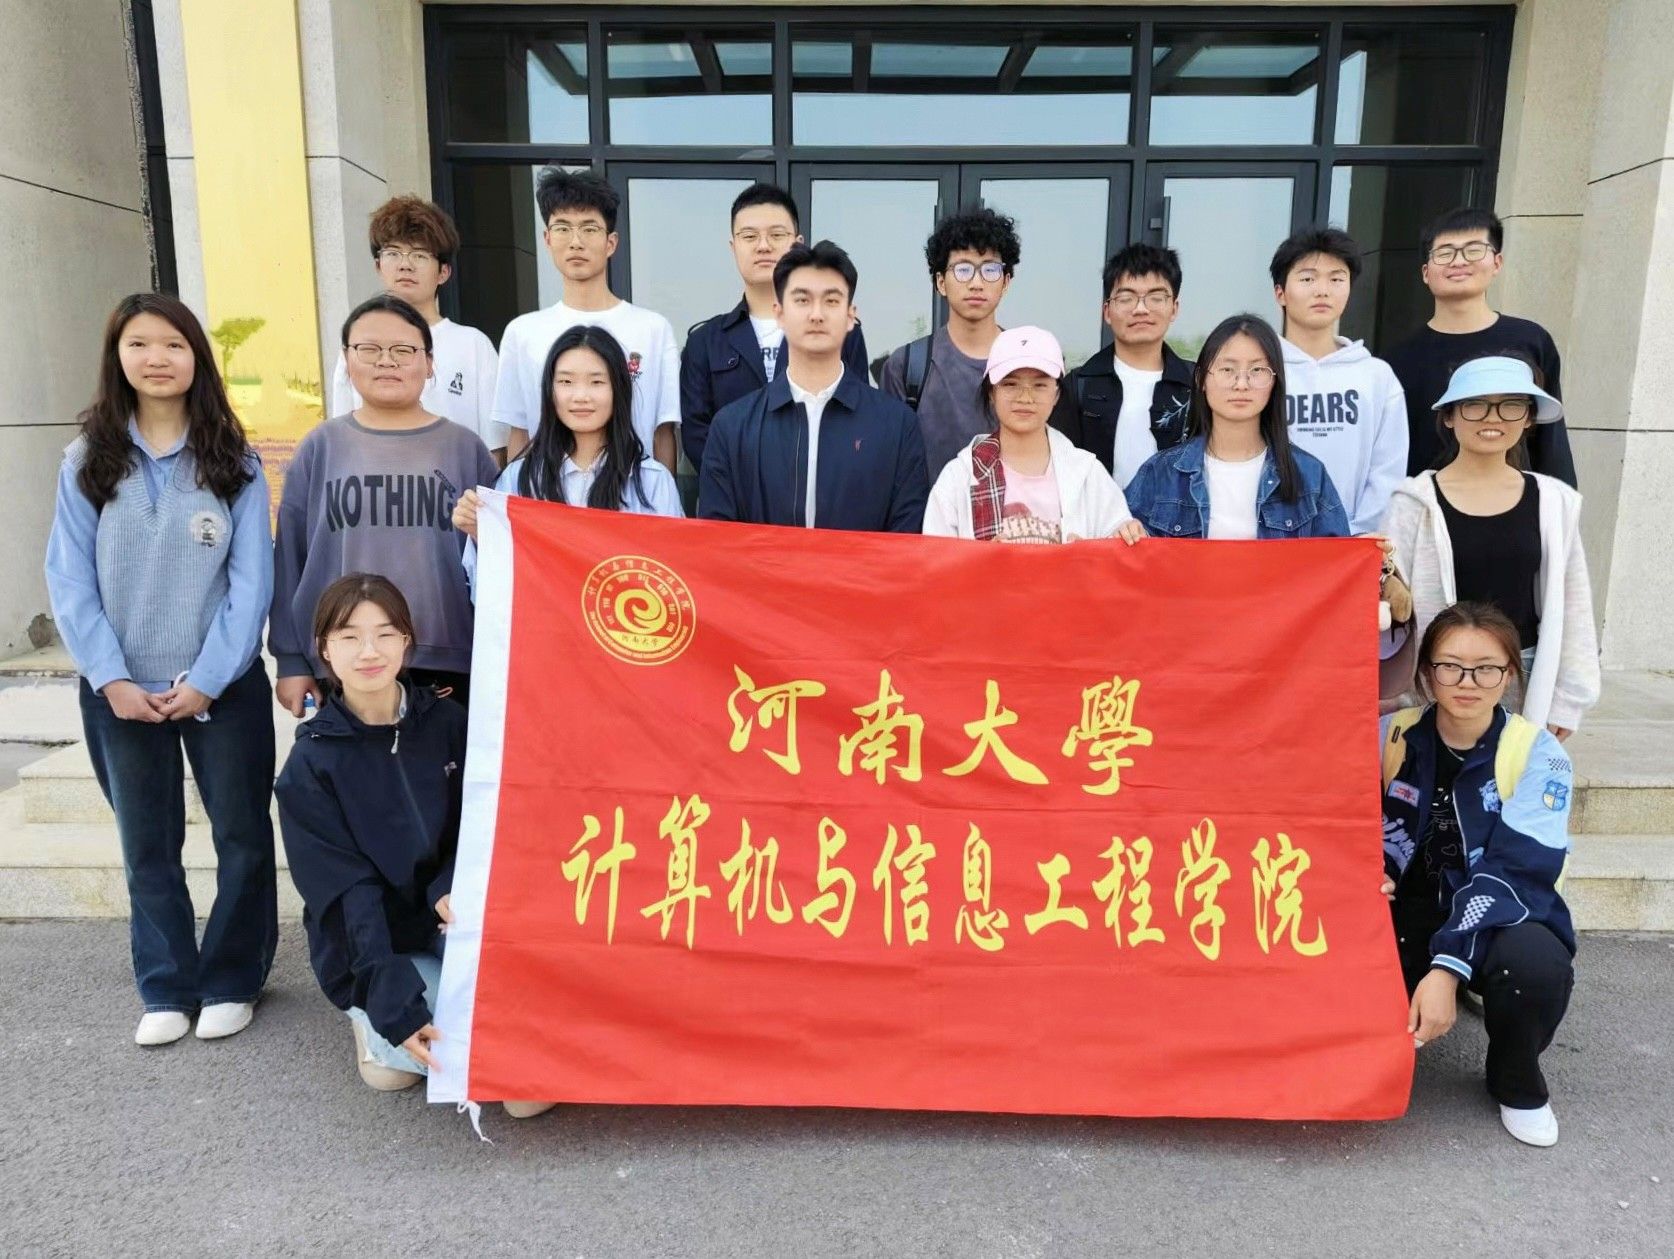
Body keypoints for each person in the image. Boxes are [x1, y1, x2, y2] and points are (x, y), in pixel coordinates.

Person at [45, 293, 276, 1047]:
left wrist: (209, 676)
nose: (157, 358)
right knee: (148, 842)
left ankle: (233, 978)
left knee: (241, 834)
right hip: (119, 689)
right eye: (139, 344)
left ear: (196, 358)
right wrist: (110, 678)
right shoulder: (87, 460)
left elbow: (252, 582)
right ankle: (167, 985)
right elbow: (69, 578)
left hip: (222, 685)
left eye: (173, 344)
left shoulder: (235, 461)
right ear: (117, 357)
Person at [275, 573, 552, 1119]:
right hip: (376, 943)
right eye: (349, 636)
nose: (369, 651)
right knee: (401, 1072)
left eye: (385, 633)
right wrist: (392, 1004)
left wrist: (448, 886)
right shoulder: (310, 767)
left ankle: (420, 1014)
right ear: (325, 649)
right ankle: (371, 1021)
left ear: (407, 641)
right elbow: (348, 897)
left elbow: (483, 824)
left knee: (528, 1096)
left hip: (454, 924)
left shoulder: (448, 723)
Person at [1378, 601, 1576, 1147]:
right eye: (1450, 666)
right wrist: (1369, 871)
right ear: (1427, 672)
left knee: (1532, 966)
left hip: (1500, 916)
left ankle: (1516, 1082)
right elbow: (1341, 820)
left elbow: (1516, 870)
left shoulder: (1538, 754)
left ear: (1509, 674)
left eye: (1486, 668)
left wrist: (1447, 967)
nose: (1467, 683)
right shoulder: (1389, 735)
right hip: (1405, 912)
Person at [271, 294, 498, 717]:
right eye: (370, 349)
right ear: (347, 360)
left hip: (448, 659)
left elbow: (500, 562)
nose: (386, 361)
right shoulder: (321, 447)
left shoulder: (466, 449)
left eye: (403, 350)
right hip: (345, 660)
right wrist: (291, 660)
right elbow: (288, 561)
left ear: (429, 363)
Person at [1380, 354, 1600, 738]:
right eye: (1475, 404)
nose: (1492, 418)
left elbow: (1573, 603)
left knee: (1513, 776)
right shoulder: (1412, 502)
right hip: (1436, 683)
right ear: (1450, 416)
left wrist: (1568, 700)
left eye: (1511, 405)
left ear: (1528, 418)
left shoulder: (1553, 501)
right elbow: (1391, 604)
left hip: (1521, 678)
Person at [699, 241, 929, 532]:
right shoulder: (732, 428)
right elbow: (716, 539)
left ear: (850, 316)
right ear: (779, 313)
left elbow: (906, 539)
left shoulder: (896, 426)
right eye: (802, 300)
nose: (816, 314)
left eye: (831, 301)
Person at [453, 325, 684, 593]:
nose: (581, 396)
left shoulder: (652, 481)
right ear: (550, 391)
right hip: (542, 620)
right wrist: (481, 534)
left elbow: (673, 578)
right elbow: (490, 594)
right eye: (566, 382)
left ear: (618, 389)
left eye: (596, 382)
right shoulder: (518, 479)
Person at [490, 168, 680, 472]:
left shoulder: (652, 330)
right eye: (563, 228)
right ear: (547, 239)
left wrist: (662, 497)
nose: (576, 241)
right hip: (548, 493)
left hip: (632, 492)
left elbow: (663, 433)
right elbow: (520, 432)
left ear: (611, 242)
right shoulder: (522, 333)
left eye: (589, 228)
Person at [680, 183, 869, 478]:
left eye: (776, 235)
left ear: (798, 243)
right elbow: (697, 434)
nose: (763, 246)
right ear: (733, 246)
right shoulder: (705, 341)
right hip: (734, 499)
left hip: (825, 493)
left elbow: (857, 416)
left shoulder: (840, 330)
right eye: (749, 236)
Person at [1383, 207, 1577, 485]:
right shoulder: (1396, 358)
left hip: (1513, 502)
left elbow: (1550, 442)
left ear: (1497, 262)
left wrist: (1559, 501)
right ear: (1426, 272)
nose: (1458, 261)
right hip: (1423, 503)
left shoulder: (1531, 341)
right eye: (1445, 253)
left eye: (1473, 250)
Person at [1122, 314, 1350, 540]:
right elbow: (1123, 552)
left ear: (1274, 380)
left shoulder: (1309, 475)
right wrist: (1127, 532)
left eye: (1257, 370)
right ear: (1201, 379)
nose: (1241, 384)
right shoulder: (1161, 473)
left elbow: (1338, 559)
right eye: (1227, 370)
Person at [923, 326, 1143, 545]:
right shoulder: (959, 477)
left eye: (1039, 385)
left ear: (1056, 394)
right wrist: (983, 561)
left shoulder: (1088, 474)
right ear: (992, 392)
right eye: (1010, 384)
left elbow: (1119, 545)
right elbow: (935, 558)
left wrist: (1118, 538)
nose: (1025, 398)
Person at [327, 195, 504, 461]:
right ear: (378, 266)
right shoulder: (359, 346)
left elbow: (495, 448)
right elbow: (342, 442)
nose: (405, 265)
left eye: (419, 255)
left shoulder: (473, 345)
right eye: (393, 253)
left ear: (444, 272)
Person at [1270, 226, 1408, 533]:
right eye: (1308, 279)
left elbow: (1388, 470)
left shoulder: (1376, 376)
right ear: (1280, 293)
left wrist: (1356, 535)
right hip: (1270, 541)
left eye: (1336, 279)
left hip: (1352, 543)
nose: (1322, 290)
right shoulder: (1261, 370)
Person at [879, 208, 1021, 475]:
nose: (976, 283)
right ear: (941, 282)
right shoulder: (907, 367)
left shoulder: (1027, 364)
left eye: (990, 269)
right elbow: (887, 465)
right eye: (963, 269)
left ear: (1006, 282)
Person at [1050, 243, 1194, 488]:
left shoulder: (1197, 385)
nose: (1141, 309)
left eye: (1156, 298)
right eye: (1126, 298)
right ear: (1107, 311)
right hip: (1096, 513)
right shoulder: (1077, 386)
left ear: (1174, 308)